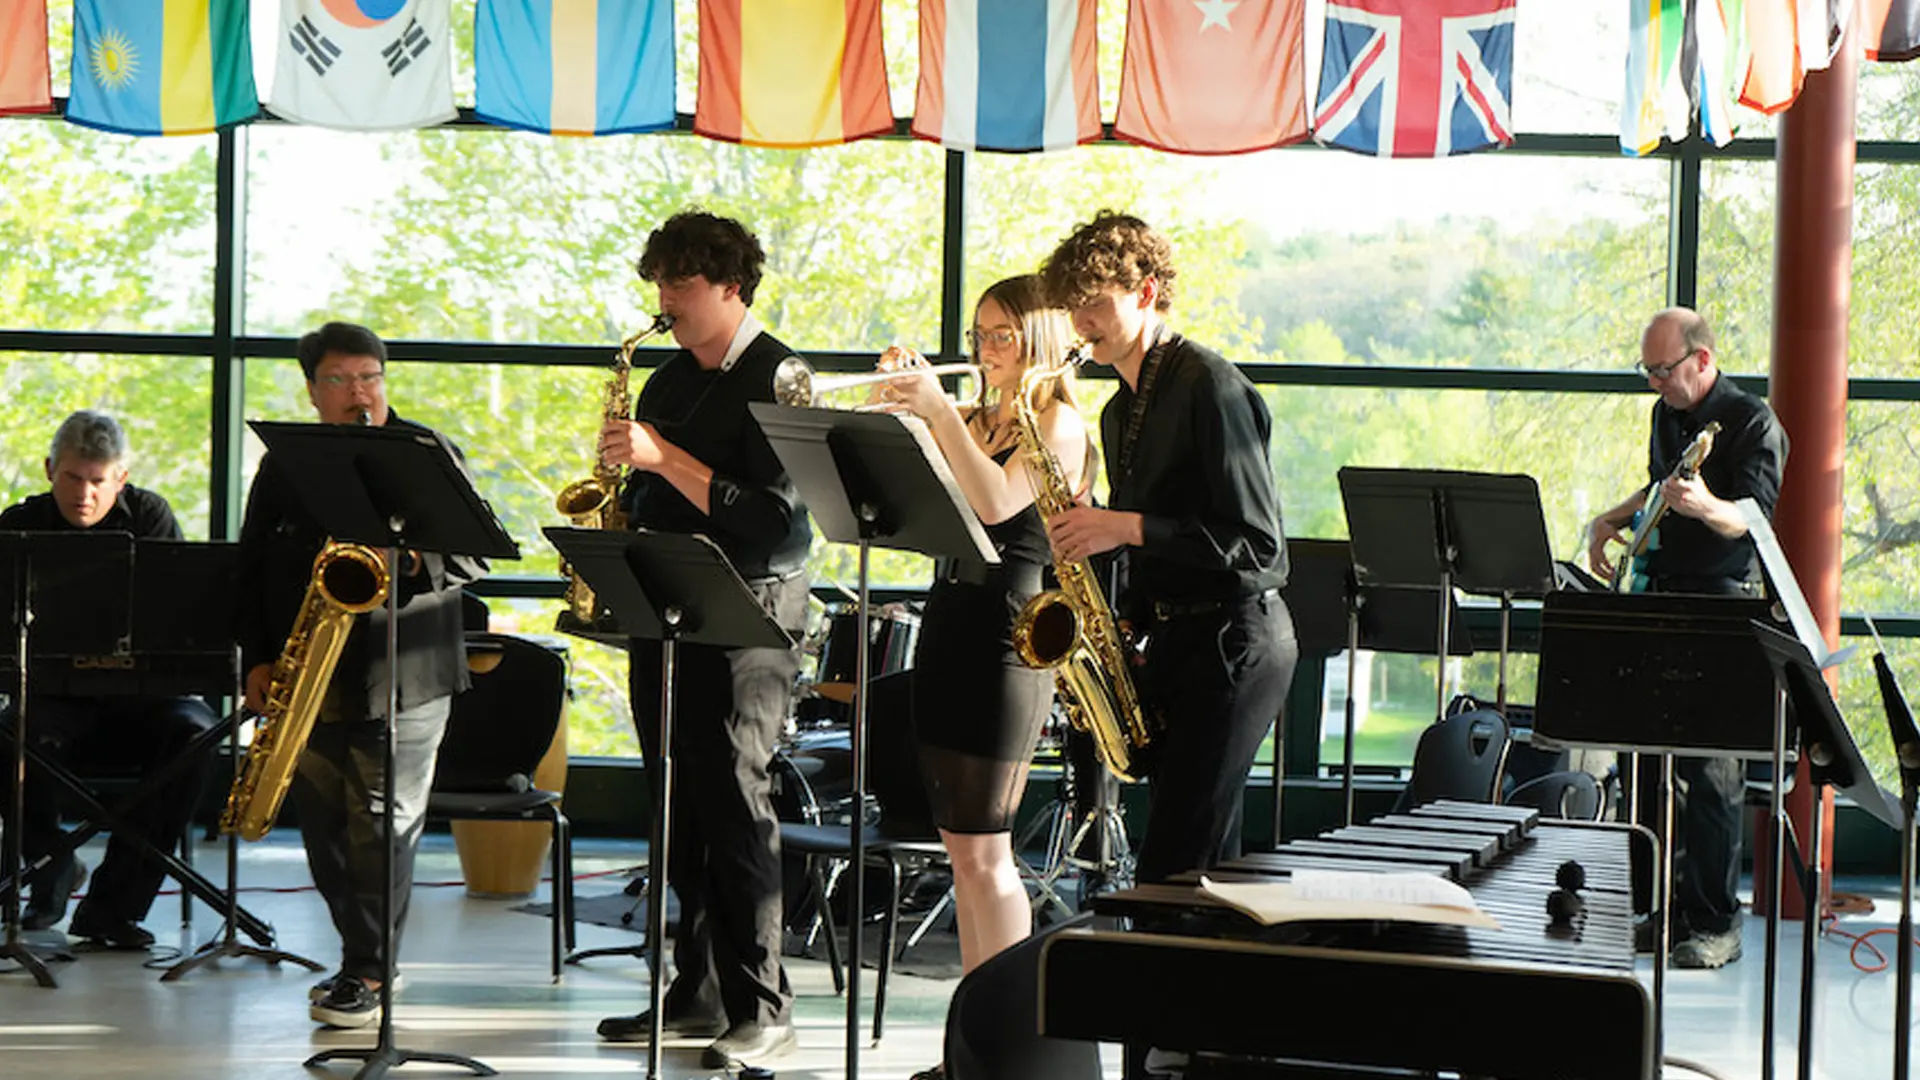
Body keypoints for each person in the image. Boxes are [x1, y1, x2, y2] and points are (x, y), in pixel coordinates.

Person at [592, 210, 811, 1072]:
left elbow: (779, 530)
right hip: (668, 611)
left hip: (748, 621)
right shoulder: (669, 380)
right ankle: (699, 990)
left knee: (735, 810)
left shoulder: (781, 378)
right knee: (676, 811)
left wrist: (665, 461)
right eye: (659, 285)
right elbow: (650, 502)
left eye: (680, 286)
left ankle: (766, 1004)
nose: (664, 302)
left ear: (730, 286)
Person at [236, 322, 487, 1027]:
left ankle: (370, 972)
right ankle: (361, 958)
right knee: (323, 830)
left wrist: (402, 558)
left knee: (380, 827)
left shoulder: (427, 453)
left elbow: (476, 557)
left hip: (404, 677)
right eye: (341, 381)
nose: (359, 394)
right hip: (309, 674)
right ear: (312, 390)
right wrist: (256, 657)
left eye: (370, 377)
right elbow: (251, 566)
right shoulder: (286, 465)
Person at [1039, 211, 1299, 886]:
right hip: (1184, 641)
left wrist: (1122, 526)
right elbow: (1157, 538)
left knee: (1174, 866)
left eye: (1095, 304)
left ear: (1146, 292)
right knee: (1207, 872)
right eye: (1073, 307)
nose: (1081, 323)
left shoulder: (1209, 386)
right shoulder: (1120, 409)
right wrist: (1123, 614)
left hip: (1237, 643)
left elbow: (1262, 550)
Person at [872, 275, 1089, 1080]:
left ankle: (1001, 1046)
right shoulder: (977, 417)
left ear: (1037, 339)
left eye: (1000, 335)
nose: (984, 350)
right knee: (961, 851)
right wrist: (902, 426)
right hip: (951, 625)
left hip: (1009, 640)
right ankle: (971, 1042)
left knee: (987, 850)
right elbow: (924, 504)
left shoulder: (1060, 424)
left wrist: (935, 415)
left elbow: (999, 503)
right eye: (978, 335)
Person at [1584, 306, 1788, 970]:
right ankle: (1657, 911)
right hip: (1659, 594)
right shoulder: (1667, 414)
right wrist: (1609, 519)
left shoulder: (1754, 422)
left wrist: (1704, 506)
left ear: (1702, 359)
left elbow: (1752, 519)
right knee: (1644, 762)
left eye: (1662, 370)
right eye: (1646, 371)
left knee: (1710, 774)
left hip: (1721, 609)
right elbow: (1658, 487)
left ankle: (1715, 923)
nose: (1653, 384)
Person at [0, 410, 218, 950]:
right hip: (53, 699)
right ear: (51, 469)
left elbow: (178, 624)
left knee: (195, 734)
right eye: (73, 478)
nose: (84, 494)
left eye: (98, 481)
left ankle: (113, 908)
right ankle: (50, 863)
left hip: (143, 702)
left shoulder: (151, 516)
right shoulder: (17, 526)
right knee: (8, 735)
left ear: (120, 478)